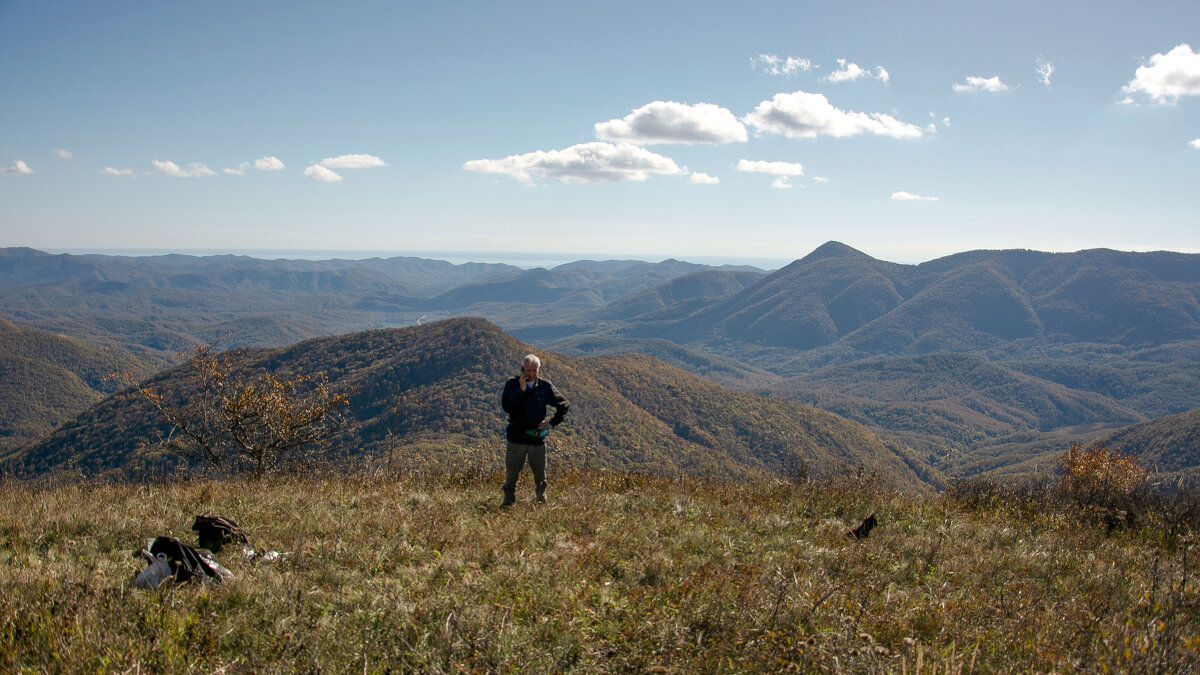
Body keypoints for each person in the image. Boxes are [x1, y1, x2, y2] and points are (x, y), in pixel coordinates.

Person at [500, 353, 569, 506]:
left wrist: (552, 423)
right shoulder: (512, 384)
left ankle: (541, 503)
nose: (530, 374)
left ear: (539, 369)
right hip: (516, 437)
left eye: (534, 370)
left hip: (536, 438)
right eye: (527, 370)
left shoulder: (545, 386)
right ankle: (508, 503)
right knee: (512, 474)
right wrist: (521, 390)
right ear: (522, 369)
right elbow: (507, 407)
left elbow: (564, 405)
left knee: (540, 475)